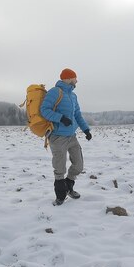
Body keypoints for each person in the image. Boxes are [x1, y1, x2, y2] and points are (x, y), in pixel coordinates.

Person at [40, 68, 92, 206]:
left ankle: (69, 186)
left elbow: (77, 115)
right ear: (68, 78)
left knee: (79, 165)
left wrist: (86, 129)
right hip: (57, 137)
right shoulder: (54, 92)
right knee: (60, 169)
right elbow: (44, 110)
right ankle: (60, 196)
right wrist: (61, 118)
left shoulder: (73, 96)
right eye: (75, 78)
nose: (77, 80)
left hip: (72, 136)